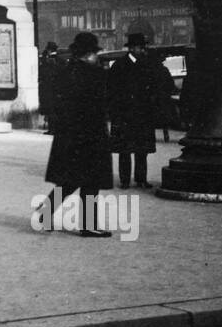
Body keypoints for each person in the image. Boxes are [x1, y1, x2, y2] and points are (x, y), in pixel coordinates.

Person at [44, 31, 113, 236]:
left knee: (69, 179)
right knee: (91, 182)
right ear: (89, 54)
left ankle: (46, 213)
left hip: (69, 135)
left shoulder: (65, 71)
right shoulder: (95, 74)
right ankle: (88, 225)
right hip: (91, 135)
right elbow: (102, 106)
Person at [108, 32, 158, 188]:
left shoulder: (147, 64)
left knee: (141, 150)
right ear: (132, 48)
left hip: (143, 114)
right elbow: (112, 91)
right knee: (125, 150)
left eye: (143, 48)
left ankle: (141, 179)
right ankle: (124, 180)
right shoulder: (119, 66)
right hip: (125, 115)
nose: (143, 50)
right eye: (140, 47)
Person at [38, 41, 60, 134]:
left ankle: (52, 129)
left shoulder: (49, 60)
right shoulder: (60, 60)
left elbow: (44, 72)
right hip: (57, 89)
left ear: (49, 49)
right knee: (54, 110)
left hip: (49, 89)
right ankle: (54, 129)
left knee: (51, 110)